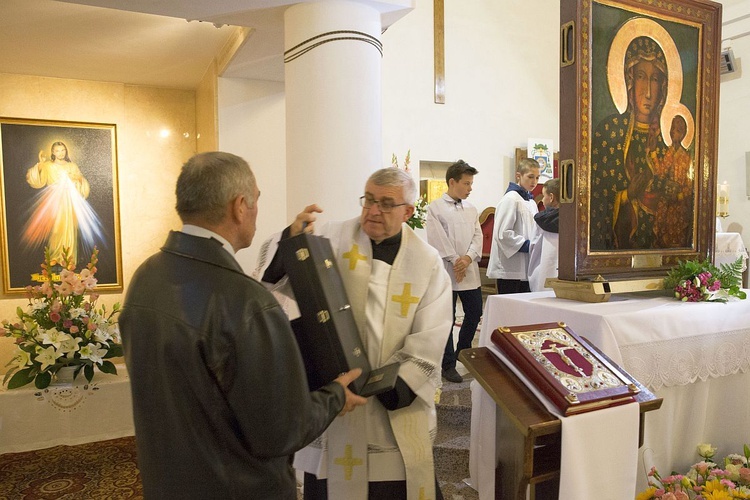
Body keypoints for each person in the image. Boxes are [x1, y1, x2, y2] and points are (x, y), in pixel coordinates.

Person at [119, 152, 366, 500]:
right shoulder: (246, 301)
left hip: (168, 480)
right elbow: (280, 430)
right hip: (235, 486)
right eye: (257, 200)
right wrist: (335, 396)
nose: (256, 210)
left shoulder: (146, 276)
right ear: (239, 206)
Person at [255, 167, 452, 500]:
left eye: (386, 204)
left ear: (407, 211)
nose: (373, 210)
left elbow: (432, 333)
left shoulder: (427, 261)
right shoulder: (331, 238)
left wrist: (393, 387)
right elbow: (277, 280)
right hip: (337, 400)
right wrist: (292, 240)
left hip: (390, 411)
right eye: (369, 200)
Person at [590, 36, 670, 250]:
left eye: (655, 79)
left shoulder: (668, 140)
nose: (648, 92)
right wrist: (626, 195)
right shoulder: (610, 130)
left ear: (663, 86)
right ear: (629, 80)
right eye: (642, 77)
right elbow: (595, 198)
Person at [425, 159, 483, 384]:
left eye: (471, 184)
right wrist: (455, 260)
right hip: (447, 269)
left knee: (474, 312)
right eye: (466, 184)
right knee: (447, 318)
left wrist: (467, 259)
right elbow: (436, 238)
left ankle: (464, 350)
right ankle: (447, 364)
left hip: (468, 269)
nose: (470, 188)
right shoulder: (435, 208)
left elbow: (478, 236)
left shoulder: (471, 209)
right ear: (452, 182)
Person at [23, 141, 103, 264]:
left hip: (70, 200)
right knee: (56, 229)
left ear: (66, 151)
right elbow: (37, 180)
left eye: (62, 150)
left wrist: (77, 179)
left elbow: (82, 182)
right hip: (54, 200)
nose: (60, 153)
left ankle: (68, 259)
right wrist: (40, 163)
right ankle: (55, 256)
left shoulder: (72, 166)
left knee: (70, 228)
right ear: (53, 152)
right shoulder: (48, 165)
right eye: (57, 151)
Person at [486, 158, 540, 294]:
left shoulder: (531, 202)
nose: (534, 182)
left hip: (527, 266)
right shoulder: (510, 199)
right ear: (518, 176)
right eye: (530, 177)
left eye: (537, 178)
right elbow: (503, 233)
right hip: (510, 268)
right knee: (509, 311)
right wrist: (527, 245)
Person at [652, 114, 694, 248]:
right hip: (666, 201)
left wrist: (679, 195)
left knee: (677, 236)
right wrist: (653, 154)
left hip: (679, 204)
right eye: (671, 128)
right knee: (662, 234)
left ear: (682, 134)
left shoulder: (687, 157)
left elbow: (690, 183)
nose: (672, 132)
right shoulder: (669, 153)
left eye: (676, 129)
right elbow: (661, 172)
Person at [528, 178, 560, 292]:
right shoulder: (574, 219)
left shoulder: (541, 221)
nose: (542, 200)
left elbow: (533, 247)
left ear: (551, 197)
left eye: (543, 195)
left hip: (543, 271)